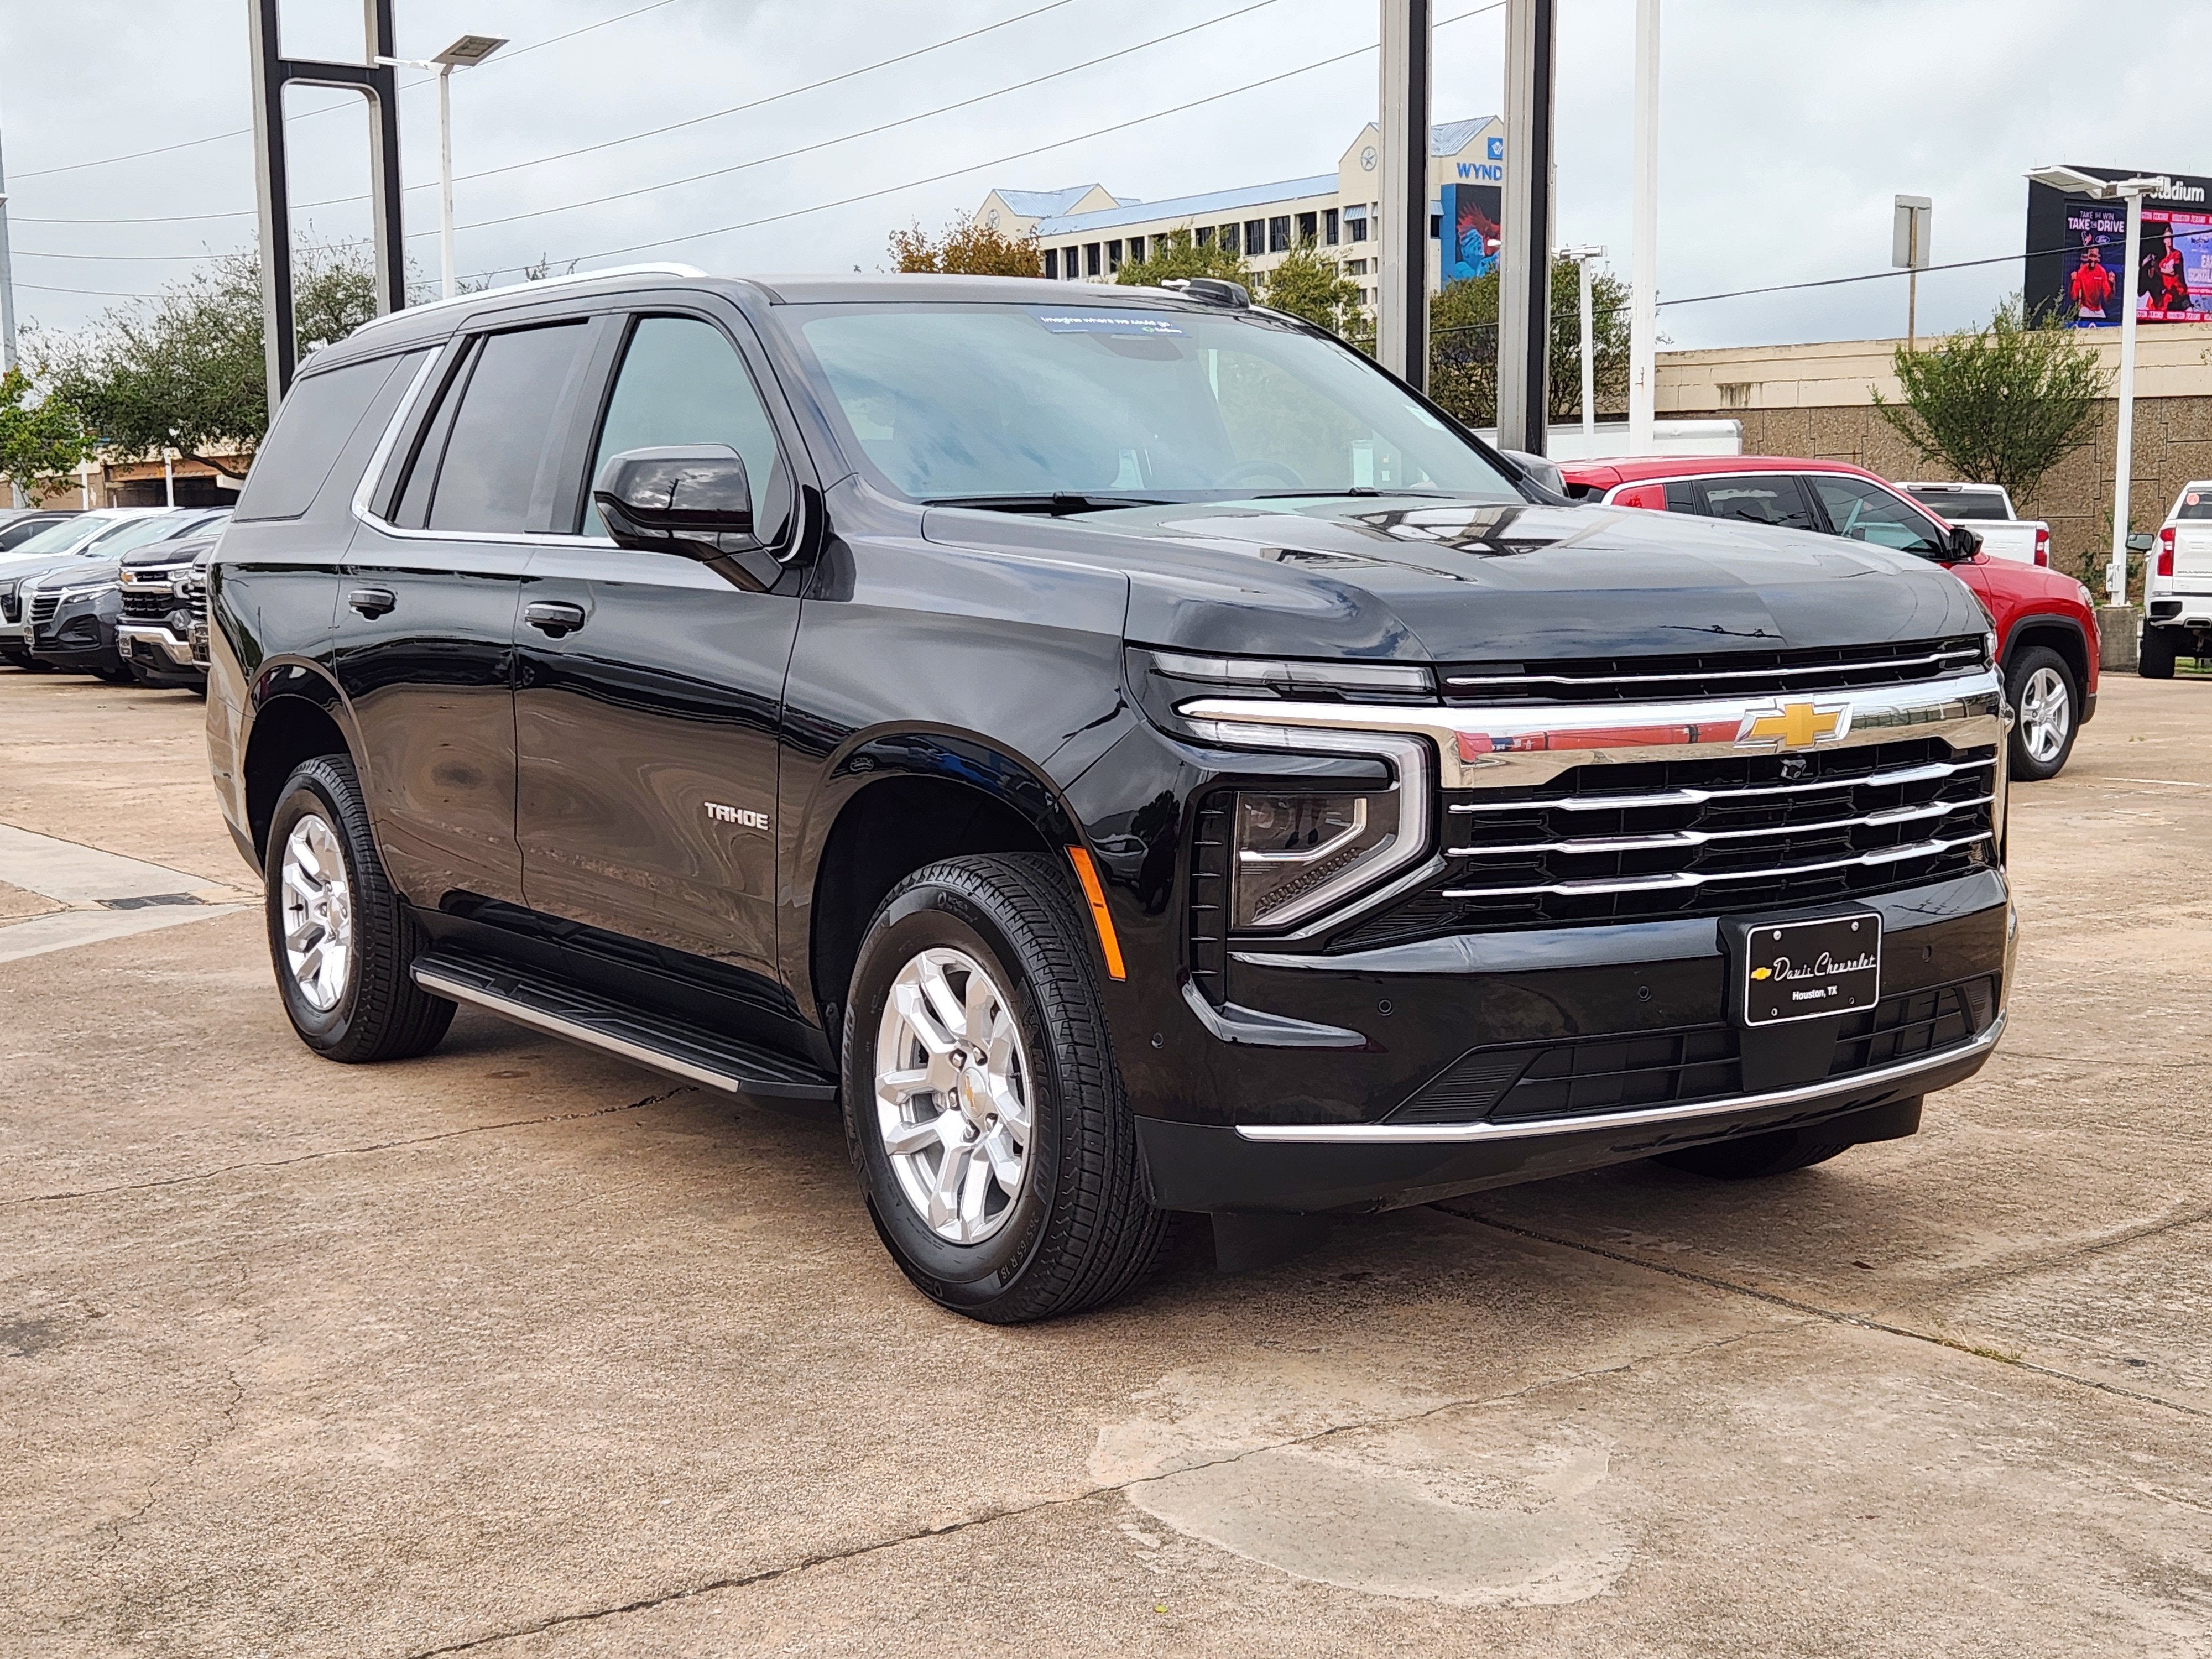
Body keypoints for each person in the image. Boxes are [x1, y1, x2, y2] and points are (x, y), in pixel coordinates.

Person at [2069, 231, 2115, 321]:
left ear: (2098, 257)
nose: (2093, 259)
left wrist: (2113, 284)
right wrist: (2073, 281)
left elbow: (2108, 300)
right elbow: (2074, 297)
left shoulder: (2102, 272)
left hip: (2098, 310)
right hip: (2085, 309)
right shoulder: (2081, 272)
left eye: (2095, 256)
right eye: (2091, 256)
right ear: (2088, 256)